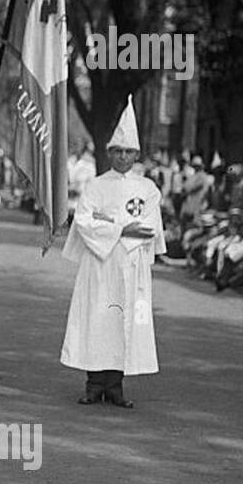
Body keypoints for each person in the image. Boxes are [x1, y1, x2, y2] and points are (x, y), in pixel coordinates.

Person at [60, 97, 165, 407]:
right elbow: (82, 220)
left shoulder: (147, 189)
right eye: (117, 151)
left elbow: (149, 228)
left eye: (128, 151)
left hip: (131, 265)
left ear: (136, 154)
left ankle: (116, 385)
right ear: (109, 153)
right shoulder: (95, 185)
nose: (122, 156)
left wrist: (111, 223)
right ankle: (94, 384)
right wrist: (122, 227)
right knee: (97, 319)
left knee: (123, 321)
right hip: (100, 264)